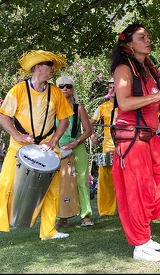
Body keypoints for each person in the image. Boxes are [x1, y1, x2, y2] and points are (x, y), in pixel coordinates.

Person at [0, 50, 73, 250]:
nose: (53, 69)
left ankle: (48, 231)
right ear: (38, 67)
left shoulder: (56, 93)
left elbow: (65, 120)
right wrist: (16, 135)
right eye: (50, 65)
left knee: (53, 189)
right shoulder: (18, 90)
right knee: (5, 185)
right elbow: (3, 116)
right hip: (19, 146)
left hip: (48, 146)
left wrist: (54, 140)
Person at [110, 23, 160, 261]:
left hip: (150, 134)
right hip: (131, 134)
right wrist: (158, 95)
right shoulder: (123, 69)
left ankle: (144, 231)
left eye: (148, 36)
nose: (148, 40)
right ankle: (140, 244)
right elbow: (125, 103)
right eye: (141, 37)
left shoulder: (148, 69)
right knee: (137, 191)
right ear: (128, 43)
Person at [55, 75, 94, 227]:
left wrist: (76, 142)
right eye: (61, 86)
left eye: (68, 86)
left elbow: (88, 130)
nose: (65, 88)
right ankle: (62, 216)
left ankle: (85, 215)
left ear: (72, 89)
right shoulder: (53, 109)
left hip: (77, 148)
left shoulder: (79, 108)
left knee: (82, 181)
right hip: (58, 150)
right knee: (61, 183)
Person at [90, 79, 118, 217]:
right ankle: (106, 210)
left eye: (115, 87)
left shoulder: (126, 105)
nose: (112, 90)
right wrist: (92, 135)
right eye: (110, 87)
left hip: (125, 146)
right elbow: (90, 123)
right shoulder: (102, 107)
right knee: (105, 179)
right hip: (108, 146)